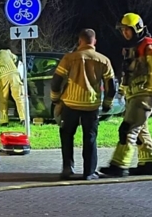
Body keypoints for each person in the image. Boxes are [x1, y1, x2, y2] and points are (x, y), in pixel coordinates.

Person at [100, 13, 152, 177]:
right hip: (134, 95)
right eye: (123, 30)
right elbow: (129, 74)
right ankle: (148, 163)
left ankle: (119, 165)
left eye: (127, 30)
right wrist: (123, 91)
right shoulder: (133, 47)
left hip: (144, 95)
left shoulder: (149, 46)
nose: (125, 33)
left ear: (137, 28)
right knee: (141, 132)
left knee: (127, 129)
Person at [49, 29, 116, 181]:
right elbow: (111, 86)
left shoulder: (69, 58)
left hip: (70, 104)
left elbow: (56, 81)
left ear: (80, 41)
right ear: (94, 41)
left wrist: (55, 99)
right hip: (91, 106)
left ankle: (67, 168)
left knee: (67, 136)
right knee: (90, 138)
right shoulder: (104, 60)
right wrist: (107, 104)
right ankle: (89, 172)